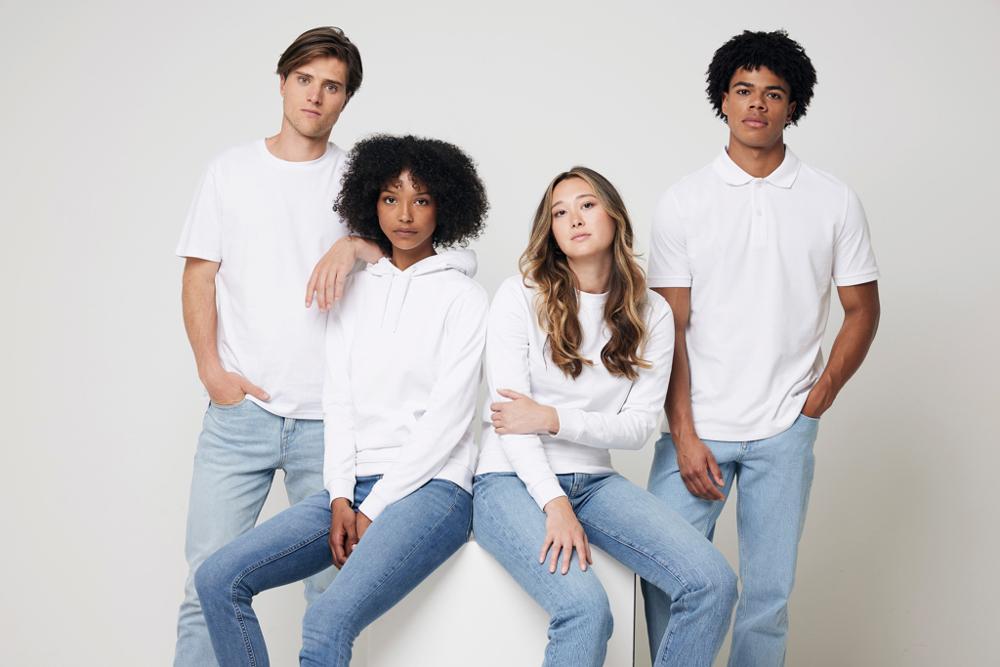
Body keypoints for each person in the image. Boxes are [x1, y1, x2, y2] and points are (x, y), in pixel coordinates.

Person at [194, 134, 490, 666]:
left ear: (444, 206)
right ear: (370, 202)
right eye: (391, 198)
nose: (405, 214)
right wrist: (339, 498)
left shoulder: (464, 298)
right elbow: (340, 405)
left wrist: (371, 508)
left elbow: (446, 423)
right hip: (352, 489)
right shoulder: (354, 291)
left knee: (326, 620)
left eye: (421, 200)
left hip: (433, 489)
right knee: (218, 578)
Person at [642, 29, 881, 667]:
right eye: (743, 90)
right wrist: (684, 434)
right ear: (722, 100)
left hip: (784, 430)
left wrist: (816, 400)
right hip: (697, 426)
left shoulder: (833, 199)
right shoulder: (684, 200)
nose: (756, 104)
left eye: (773, 94)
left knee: (767, 600)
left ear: (792, 106)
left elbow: (862, 309)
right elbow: (669, 328)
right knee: (665, 580)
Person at [173, 26, 383, 666]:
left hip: (332, 423)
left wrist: (353, 243)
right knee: (206, 585)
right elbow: (199, 275)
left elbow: (407, 258)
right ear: (283, 82)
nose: (316, 96)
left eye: (332, 86)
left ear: (346, 99)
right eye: (305, 80)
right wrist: (213, 373)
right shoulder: (230, 171)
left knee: (332, 592)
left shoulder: (358, 179)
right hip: (242, 415)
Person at [473, 167, 737, 667]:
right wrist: (554, 502)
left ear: (614, 215)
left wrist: (552, 417)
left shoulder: (651, 312)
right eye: (560, 212)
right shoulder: (519, 296)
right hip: (509, 479)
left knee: (712, 583)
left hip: (594, 481)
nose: (574, 218)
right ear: (550, 230)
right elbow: (510, 421)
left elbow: (636, 428)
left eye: (587, 205)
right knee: (587, 611)